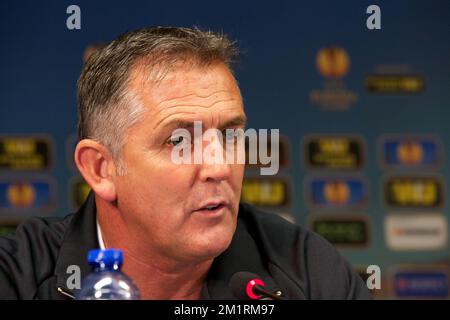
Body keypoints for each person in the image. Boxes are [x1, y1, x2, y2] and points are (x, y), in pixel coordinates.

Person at [0, 27, 371, 300]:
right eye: (180, 142)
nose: (220, 168)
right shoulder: (19, 278)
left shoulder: (307, 271)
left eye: (229, 136)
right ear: (100, 168)